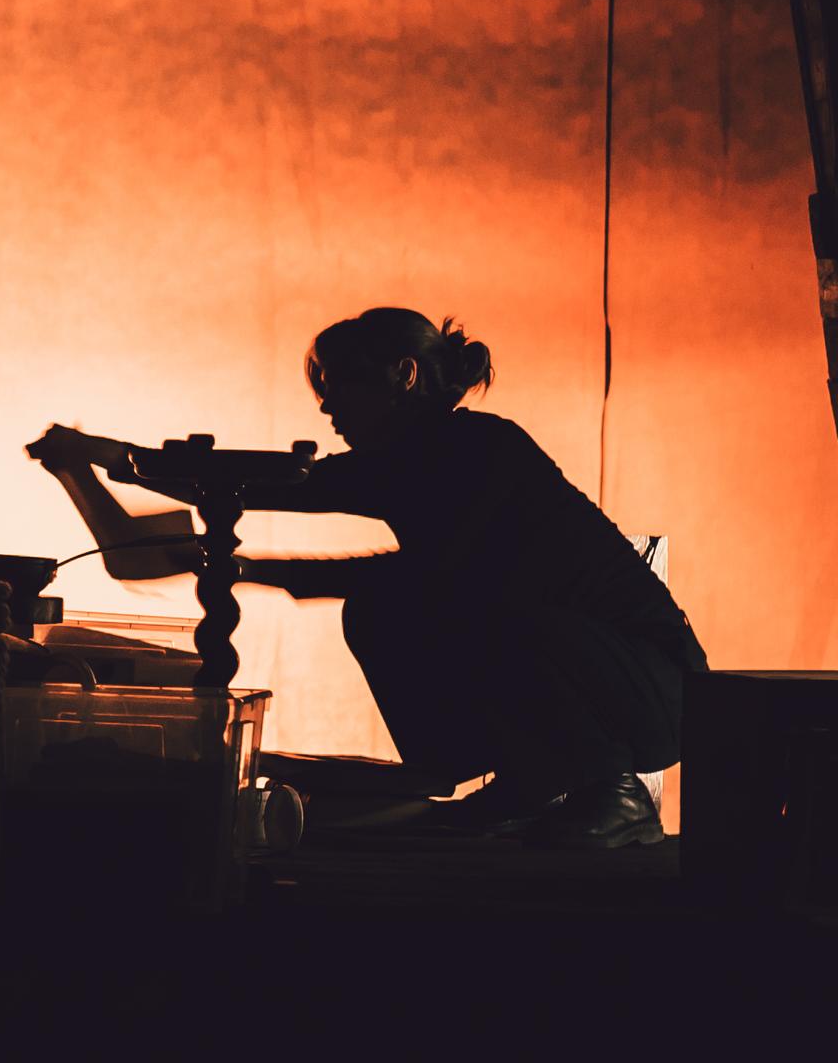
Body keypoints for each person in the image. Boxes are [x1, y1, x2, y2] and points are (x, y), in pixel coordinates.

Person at [211, 308, 700, 849]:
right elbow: (276, 486)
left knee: (472, 603)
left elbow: (429, 573)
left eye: (341, 382)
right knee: (379, 611)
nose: (327, 405)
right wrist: (120, 462)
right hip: (598, 671)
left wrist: (257, 571)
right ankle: (527, 782)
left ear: (404, 374)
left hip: (661, 689)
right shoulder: (397, 462)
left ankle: (619, 793)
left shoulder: (483, 448)